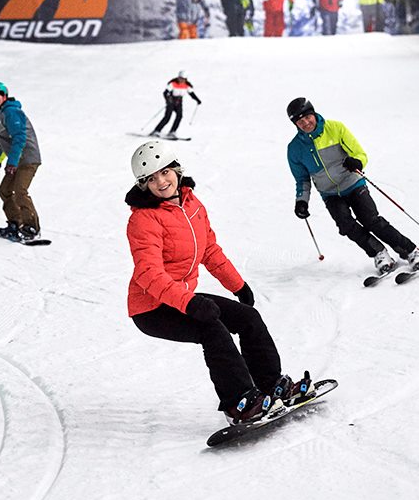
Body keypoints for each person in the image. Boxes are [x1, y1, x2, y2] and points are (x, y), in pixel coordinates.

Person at [125, 140, 314, 425]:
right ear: (144, 185)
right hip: (151, 307)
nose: (161, 182)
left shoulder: (192, 205)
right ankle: (240, 403)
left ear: (176, 170)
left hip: (181, 296)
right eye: (151, 179)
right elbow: (148, 273)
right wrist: (190, 303)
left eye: (164, 172)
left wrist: (237, 285)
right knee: (212, 328)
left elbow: (209, 250)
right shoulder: (144, 220)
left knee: (247, 317)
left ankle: (271, 384)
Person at [285, 97, 419, 274]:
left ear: (313, 113)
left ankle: (411, 252)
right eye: (300, 121)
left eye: (308, 117)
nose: (306, 122)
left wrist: (357, 162)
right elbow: (302, 180)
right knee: (346, 226)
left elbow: (359, 153)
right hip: (329, 193)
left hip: (353, 183)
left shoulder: (336, 128)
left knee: (371, 220)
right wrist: (302, 201)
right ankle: (379, 253)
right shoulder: (294, 149)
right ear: (295, 124)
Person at [0, 81, 42, 241]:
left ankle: (32, 227)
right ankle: (16, 224)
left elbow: (19, 138)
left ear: (4, 97)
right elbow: (7, 142)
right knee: (5, 190)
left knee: (20, 190)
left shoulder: (11, 112)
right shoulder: (1, 114)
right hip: (17, 159)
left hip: (27, 159)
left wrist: (12, 163)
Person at [150, 71, 201, 139]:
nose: (181, 80)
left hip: (179, 103)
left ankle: (172, 131)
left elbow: (191, 93)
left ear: (186, 79)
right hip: (171, 102)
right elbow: (165, 93)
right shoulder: (173, 84)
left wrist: (197, 100)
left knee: (179, 116)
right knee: (167, 117)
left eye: (183, 79)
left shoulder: (186, 85)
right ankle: (156, 131)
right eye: (180, 78)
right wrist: (168, 100)